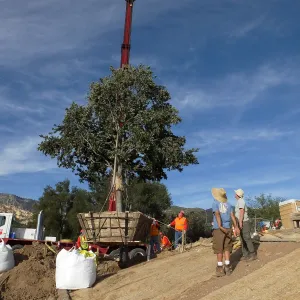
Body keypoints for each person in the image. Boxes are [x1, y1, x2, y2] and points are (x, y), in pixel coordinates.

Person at [211, 188, 239, 277]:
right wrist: (236, 227)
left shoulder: (215, 203)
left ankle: (220, 268)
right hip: (228, 228)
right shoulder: (229, 205)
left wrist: (220, 226)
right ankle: (228, 266)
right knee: (227, 248)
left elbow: (217, 214)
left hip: (219, 229)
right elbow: (232, 216)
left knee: (219, 248)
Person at [234, 188, 257, 261]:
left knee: (246, 237)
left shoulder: (241, 201)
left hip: (244, 221)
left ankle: (252, 254)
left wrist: (240, 222)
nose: (234, 195)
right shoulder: (238, 202)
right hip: (240, 221)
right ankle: (245, 254)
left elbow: (242, 211)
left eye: (235, 193)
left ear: (237, 195)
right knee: (242, 238)